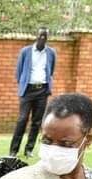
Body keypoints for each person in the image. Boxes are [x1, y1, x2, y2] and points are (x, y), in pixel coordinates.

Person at [9, 26, 56, 159]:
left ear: (48, 38)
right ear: (36, 36)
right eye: (41, 36)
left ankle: (29, 149)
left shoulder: (51, 53)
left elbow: (51, 70)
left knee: (37, 122)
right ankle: (13, 150)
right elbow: (19, 71)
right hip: (27, 90)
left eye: (45, 36)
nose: (42, 38)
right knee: (22, 119)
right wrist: (23, 84)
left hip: (42, 90)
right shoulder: (26, 51)